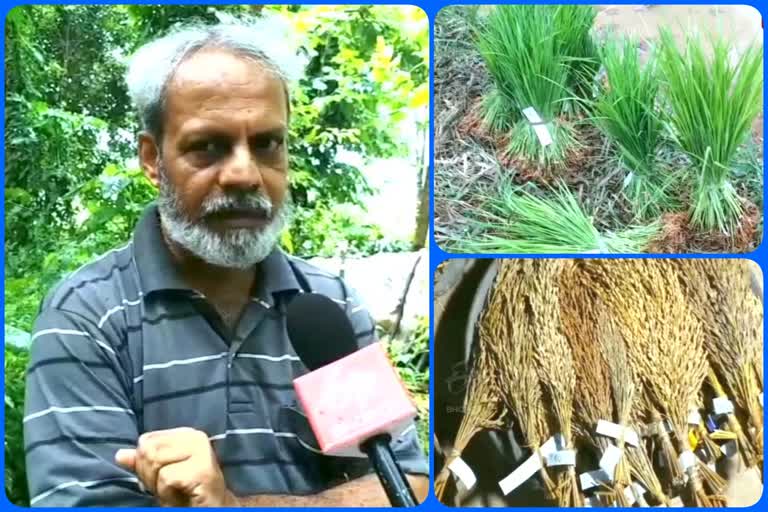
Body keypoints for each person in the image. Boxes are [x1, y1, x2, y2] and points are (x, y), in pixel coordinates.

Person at [23, 18, 428, 507]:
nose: (244, 173)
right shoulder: (86, 316)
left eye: (266, 144)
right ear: (152, 159)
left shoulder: (329, 306)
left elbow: (406, 485)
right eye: (208, 146)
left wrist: (235, 505)